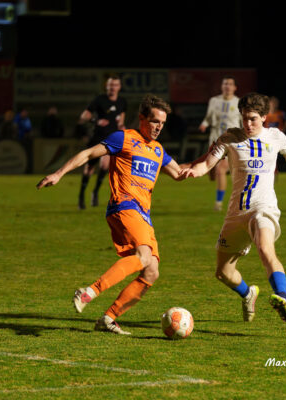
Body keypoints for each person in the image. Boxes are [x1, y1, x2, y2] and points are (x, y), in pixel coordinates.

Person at [37, 94, 186, 335]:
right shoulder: (124, 138)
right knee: (144, 256)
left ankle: (109, 318)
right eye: (155, 121)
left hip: (144, 215)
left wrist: (214, 156)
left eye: (162, 123)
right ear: (142, 118)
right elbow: (88, 154)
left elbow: (180, 173)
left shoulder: (158, 150)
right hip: (124, 206)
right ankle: (89, 292)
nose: (159, 127)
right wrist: (58, 173)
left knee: (151, 271)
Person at [181, 93, 286, 323]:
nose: (247, 124)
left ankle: (281, 297)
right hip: (236, 213)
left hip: (263, 207)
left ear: (263, 117)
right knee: (223, 273)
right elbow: (207, 165)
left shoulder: (275, 136)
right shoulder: (230, 138)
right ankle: (248, 294)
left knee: (265, 248)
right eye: (244, 118)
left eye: (252, 119)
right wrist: (194, 171)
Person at [78, 74, 127, 209]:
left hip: (111, 140)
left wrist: (122, 126)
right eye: (110, 85)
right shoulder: (100, 99)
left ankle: (95, 192)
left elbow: (121, 118)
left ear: (119, 87)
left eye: (115, 85)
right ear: (106, 86)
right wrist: (96, 120)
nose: (112, 87)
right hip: (97, 138)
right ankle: (81, 195)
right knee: (90, 168)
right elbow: (84, 116)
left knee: (105, 166)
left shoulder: (122, 102)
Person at [199, 75, 242, 211]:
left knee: (221, 169)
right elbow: (208, 117)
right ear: (222, 86)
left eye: (230, 84)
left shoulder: (239, 103)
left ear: (235, 88)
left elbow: (243, 122)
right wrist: (204, 124)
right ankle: (214, 175)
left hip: (232, 142)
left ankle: (218, 203)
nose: (227, 86)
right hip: (215, 140)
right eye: (225, 84)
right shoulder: (214, 101)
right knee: (212, 173)